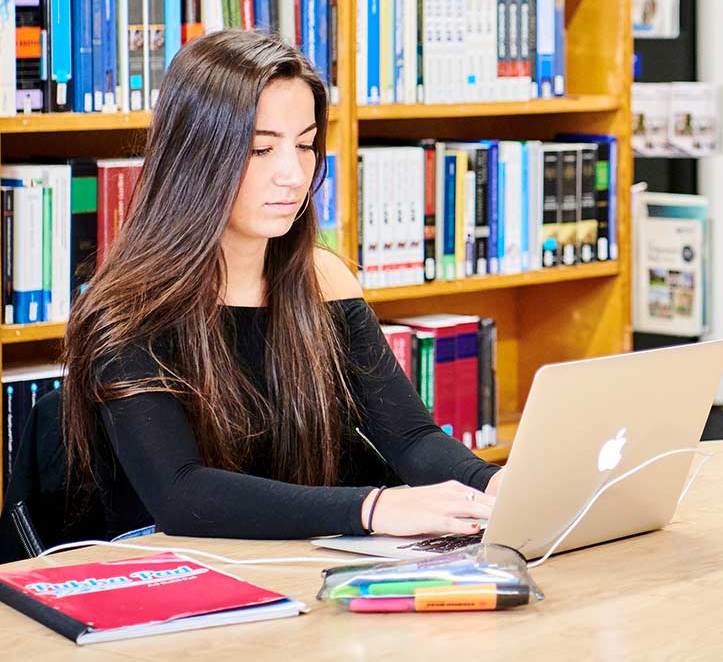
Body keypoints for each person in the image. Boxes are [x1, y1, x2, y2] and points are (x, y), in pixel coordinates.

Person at [61, 28, 500, 541]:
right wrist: (375, 508)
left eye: (306, 145)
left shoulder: (323, 279)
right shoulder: (128, 312)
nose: (293, 174)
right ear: (196, 158)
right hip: (173, 578)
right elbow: (182, 496)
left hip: (300, 563)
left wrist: (494, 486)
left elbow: (411, 438)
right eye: (260, 150)